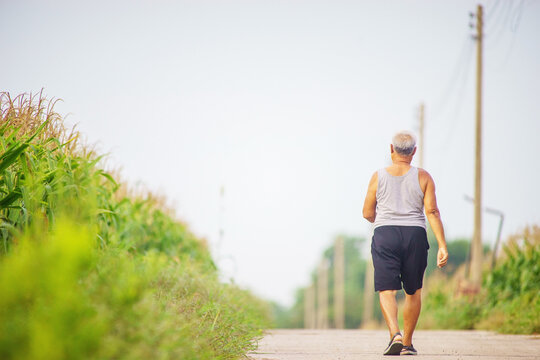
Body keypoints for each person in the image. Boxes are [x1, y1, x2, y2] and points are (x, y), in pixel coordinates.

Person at [362, 131, 448, 356]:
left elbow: (367, 212)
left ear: (392, 149)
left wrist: (378, 219)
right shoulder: (424, 177)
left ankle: (395, 334)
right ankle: (407, 344)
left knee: (386, 289)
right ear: (414, 152)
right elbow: (431, 211)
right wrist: (442, 245)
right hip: (415, 236)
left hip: (385, 234)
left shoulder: (378, 176)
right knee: (413, 291)